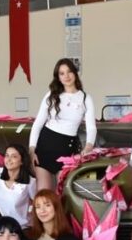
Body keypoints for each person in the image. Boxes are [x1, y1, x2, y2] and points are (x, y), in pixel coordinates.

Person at [28, 58, 96, 193]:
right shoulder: (51, 95)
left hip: (67, 149)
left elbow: (91, 127)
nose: (66, 76)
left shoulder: (85, 98)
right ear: (58, 77)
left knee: (64, 193)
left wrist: (89, 146)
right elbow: (38, 124)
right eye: (62, 73)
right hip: (45, 146)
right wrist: (31, 149)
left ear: (75, 73)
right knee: (43, 193)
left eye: (69, 72)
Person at [0, 145, 37, 227]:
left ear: (22, 161)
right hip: (1, 225)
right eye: (7, 155)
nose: (9, 159)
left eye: (14, 156)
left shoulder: (30, 181)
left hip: (23, 227)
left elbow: (37, 202)